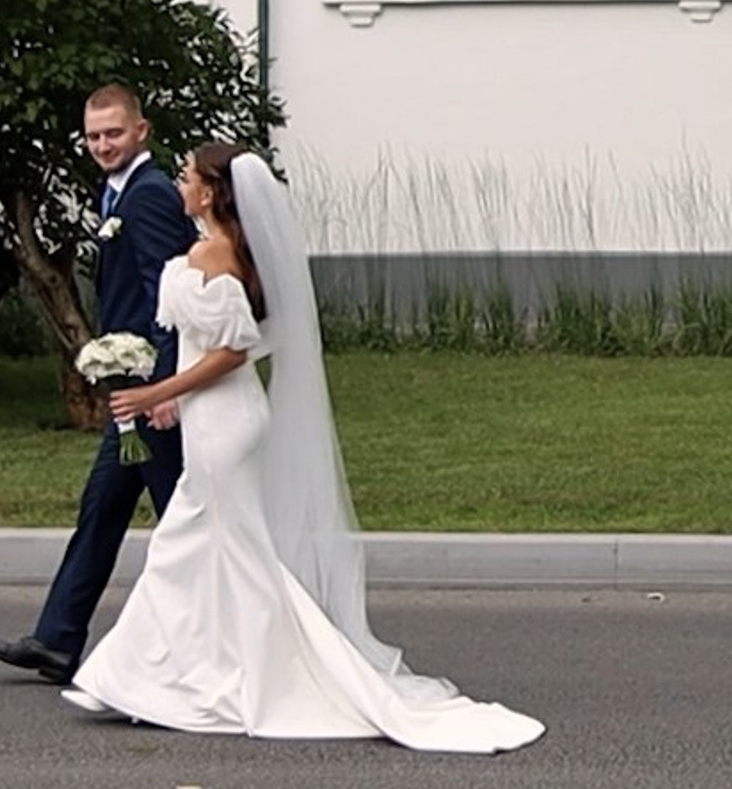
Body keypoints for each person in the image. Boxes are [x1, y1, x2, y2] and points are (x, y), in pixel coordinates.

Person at [62, 144, 543, 754]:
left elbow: (233, 350)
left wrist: (162, 388)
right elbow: (213, 342)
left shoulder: (216, 255)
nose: (179, 184)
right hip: (210, 415)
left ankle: (239, 677)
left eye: (187, 177)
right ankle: (155, 676)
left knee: (228, 550)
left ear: (210, 193)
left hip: (226, 423)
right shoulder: (219, 249)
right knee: (194, 544)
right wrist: (174, 400)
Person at [0, 85, 196, 686]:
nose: (103, 144)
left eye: (114, 132)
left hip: (150, 395)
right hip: (129, 390)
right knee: (103, 509)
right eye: (93, 136)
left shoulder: (152, 196)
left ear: (142, 131)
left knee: (183, 522)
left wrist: (164, 388)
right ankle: (58, 640)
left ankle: (213, 638)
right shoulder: (115, 193)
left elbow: (173, 299)